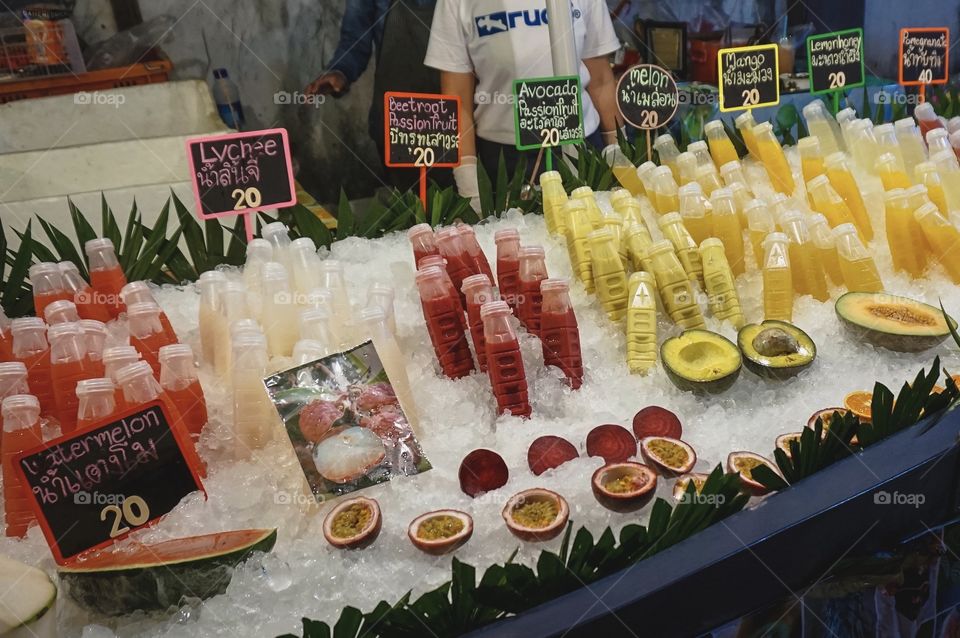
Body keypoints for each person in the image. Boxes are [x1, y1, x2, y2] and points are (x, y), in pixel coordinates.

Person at [425, 1, 622, 206]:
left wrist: (620, 153)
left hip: (582, 147)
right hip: (505, 159)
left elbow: (601, 80)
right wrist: (470, 186)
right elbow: (456, 99)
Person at [305, 1, 451, 192]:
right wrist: (340, 72)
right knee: (413, 211)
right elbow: (355, 40)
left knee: (464, 208)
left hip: (457, 117)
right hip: (399, 120)